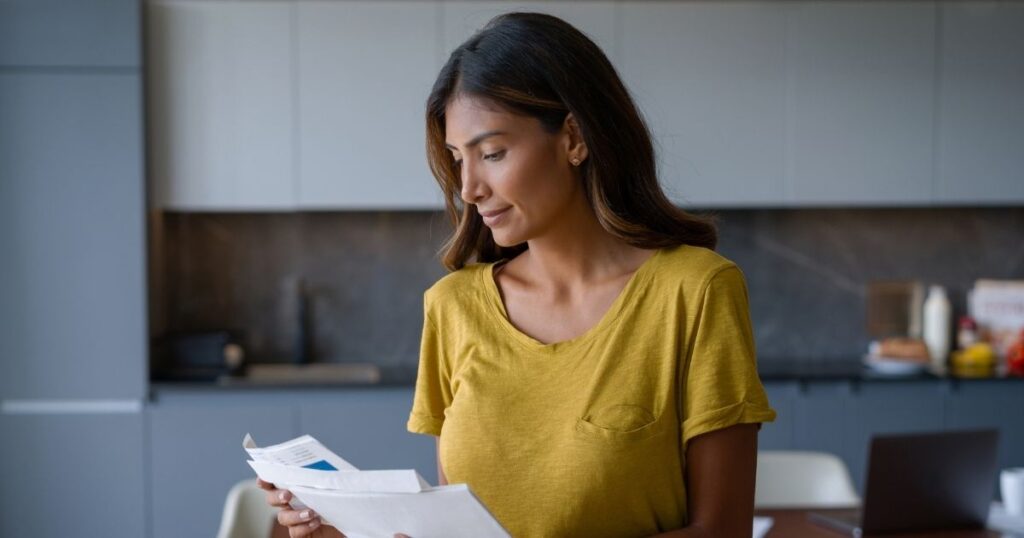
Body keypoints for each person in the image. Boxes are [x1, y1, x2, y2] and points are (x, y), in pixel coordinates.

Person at [262, 11, 775, 538]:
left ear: (573, 137)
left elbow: (722, 530)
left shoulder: (696, 290)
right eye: (458, 159)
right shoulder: (452, 307)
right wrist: (346, 529)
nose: (469, 188)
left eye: (492, 153)